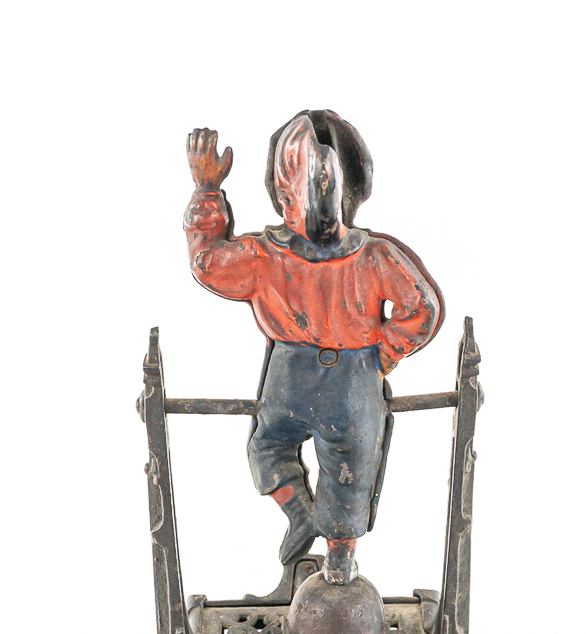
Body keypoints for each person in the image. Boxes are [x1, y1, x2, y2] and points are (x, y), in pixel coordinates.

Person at [183, 111, 443, 584]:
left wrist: (207, 189)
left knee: (291, 456)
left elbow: (207, 261)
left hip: (315, 376)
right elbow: (421, 309)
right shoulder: (365, 256)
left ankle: (333, 555)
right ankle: (312, 526)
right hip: (335, 379)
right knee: (327, 467)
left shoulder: (273, 256)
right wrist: (382, 355)